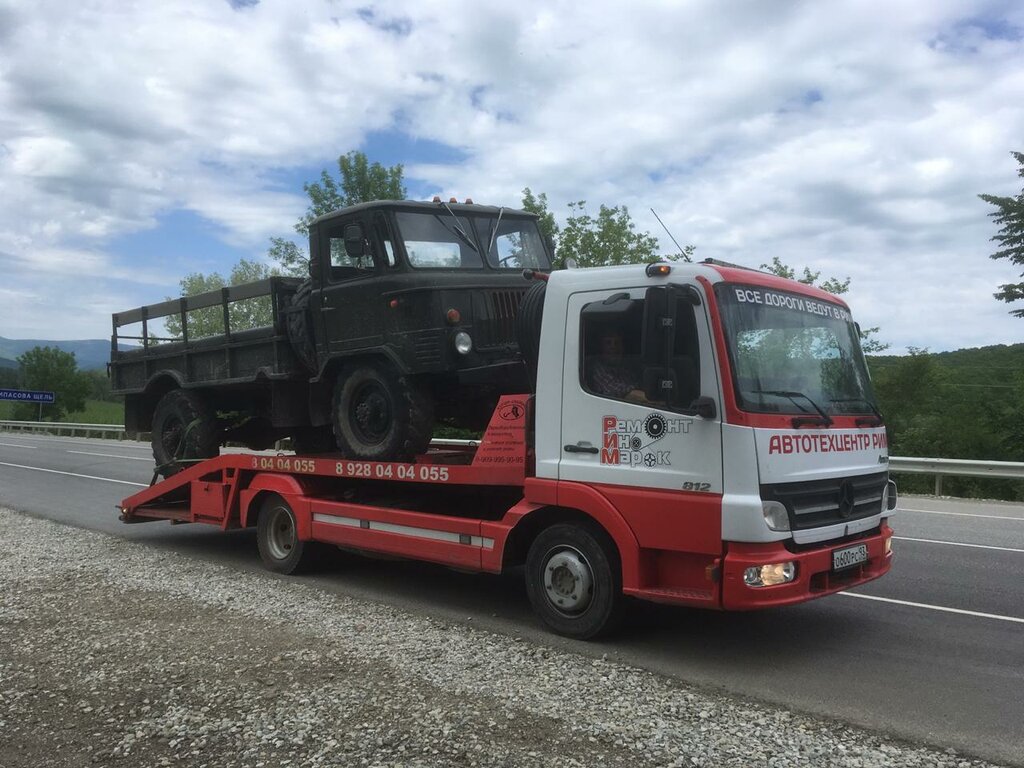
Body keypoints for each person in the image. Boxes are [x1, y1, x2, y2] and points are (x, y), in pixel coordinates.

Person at [588, 329, 648, 403]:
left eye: (617, 343)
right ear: (601, 347)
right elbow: (625, 393)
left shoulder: (626, 366)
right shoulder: (598, 369)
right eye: (608, 343)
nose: (613, 347)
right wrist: (657, 401)